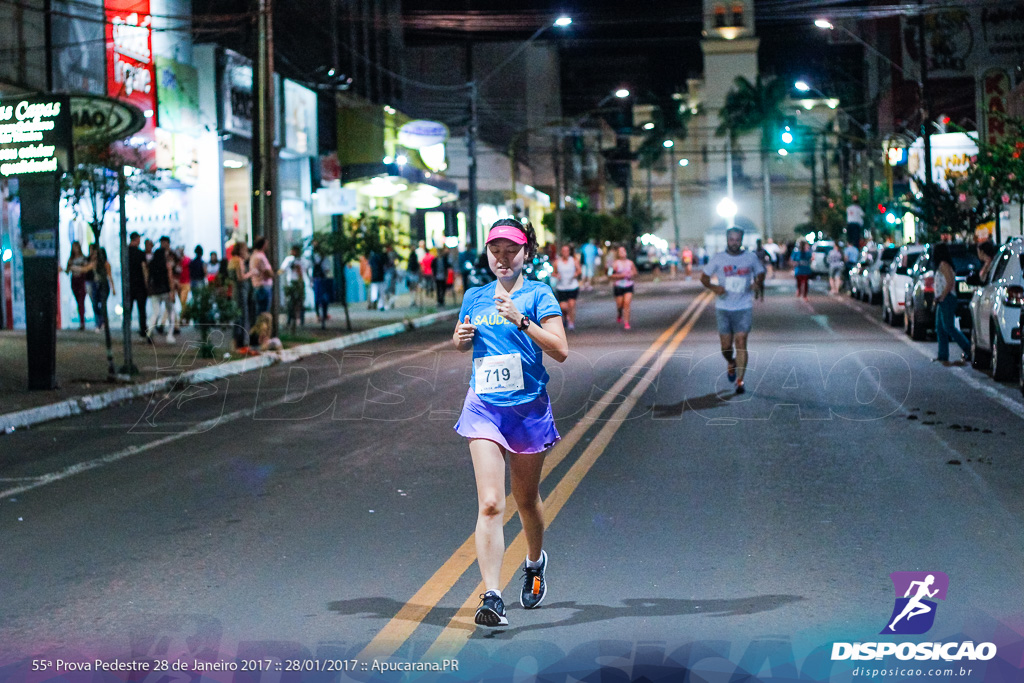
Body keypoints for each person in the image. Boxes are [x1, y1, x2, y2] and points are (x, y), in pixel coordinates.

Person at [452, 217, 568, 628]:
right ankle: (492, 596)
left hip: (527, 410)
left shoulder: (540, 295)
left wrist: (522, 319)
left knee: (525, 500)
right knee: (490, 502)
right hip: (484, 406)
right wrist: (460, 340)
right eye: (495, 252)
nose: (502, 259)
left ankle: (534, 562)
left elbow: (561, 351)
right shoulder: (474, 296)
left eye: (510, 251)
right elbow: (460, 337)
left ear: (526, 254)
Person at [700, 226, 766, 395]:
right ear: (727, 240)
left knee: (741, 341)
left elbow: (761, 272)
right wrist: (715, 288)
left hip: (744, 307)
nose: (734, 243)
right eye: (732, 239)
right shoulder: (718, 258)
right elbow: (704, 277)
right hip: (723, 307)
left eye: (737, 240)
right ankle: (731, 362)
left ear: (742, 240)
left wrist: (757, 283)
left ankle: (740, 381)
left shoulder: (750, 258)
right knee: (726, 347)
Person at [932, 242, 970, 366]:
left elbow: (949, 282)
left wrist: (942, 296)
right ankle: (942, 355)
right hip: (942, 298)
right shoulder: (942, 265)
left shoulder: (944, 265)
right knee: (940, 327)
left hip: (947, 298)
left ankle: (968, 349)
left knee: (949, 327)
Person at [148, 236, 177, 342]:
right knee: (171, 312)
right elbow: (170, 279)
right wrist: (172, 291)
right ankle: (170, 334)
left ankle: (150, 332)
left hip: (155, 291)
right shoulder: (166, 265)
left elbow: (148, 277)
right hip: (165, 291)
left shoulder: (152, 264)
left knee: (155, 312)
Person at [228, 242, 254, 349]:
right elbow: (240, 277)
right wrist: (251, 273)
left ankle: (236, 341)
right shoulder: (239, 261)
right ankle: (240, 342)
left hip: (235, 290)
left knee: (238, 316)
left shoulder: (232, 260)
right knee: (242, 315)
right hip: (240, 290)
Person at [279, 244, 309, 328]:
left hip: (299, 282)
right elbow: (282, 270)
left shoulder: (303, 261)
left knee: (300, 301)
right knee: (290, 303)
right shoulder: (289, 260)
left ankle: (301, 320)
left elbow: (305, 271)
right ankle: (290, 320)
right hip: (291, 282)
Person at [553, 244, 582, 331]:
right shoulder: (557, 262)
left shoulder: (573, 260)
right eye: (564, 251)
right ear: (561, 252)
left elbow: (579, 270)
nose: (565, 252)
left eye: (567, 251)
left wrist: (575, 274)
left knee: (571, 304)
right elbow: (553, 273)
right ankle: (565, 317)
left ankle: (571, 322)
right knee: (563, 307)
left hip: (572, 286)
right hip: (561, 287)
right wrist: (556, 275)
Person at [127, 232, 150, 341]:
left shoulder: (125, 252)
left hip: (129, 284)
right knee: (142, 310)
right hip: (139, 284)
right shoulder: (140, 253)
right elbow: (144, 269)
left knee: (128, 309)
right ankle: (143, 331)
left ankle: (126, 329)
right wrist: (147, 284)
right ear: (136, 239)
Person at [610, 246, 638, 330]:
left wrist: (632, 275)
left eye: (624, 251)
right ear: (618, 254)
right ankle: (619, 313)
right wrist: (620, 276)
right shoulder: (615, 264)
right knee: (620, 304)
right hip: (618, 286)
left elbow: (635, 273)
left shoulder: (630, 263)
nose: (622, 253)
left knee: (627, 303)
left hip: (628, 285)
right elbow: (610, 274)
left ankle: (626, 322)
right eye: (620, 251)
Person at [65, 241, 90, 330]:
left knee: (81, 301)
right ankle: (81, 321)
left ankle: (82, 322)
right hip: (74, 281)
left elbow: (85, 269)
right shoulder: (71, 259)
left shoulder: (83, 258)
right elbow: (67, 271)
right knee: (78, 301)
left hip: (81, 280)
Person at [89, 247, 115, 330]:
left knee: (103, 305)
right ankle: (99, 322)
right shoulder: (94, 263)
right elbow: (86, 269)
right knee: (95, 304)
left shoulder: (106, 264)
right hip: (96, 285)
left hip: (103, 285)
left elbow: (109, 276)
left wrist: (113, 288)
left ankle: (103, 322)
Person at [249, 237, 274, 316]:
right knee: (264, 313)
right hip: (263, 286)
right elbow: (267, 272)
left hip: (257, 285)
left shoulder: (253, 256)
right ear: (263, 245)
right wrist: (272, 273)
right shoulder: (260, 257)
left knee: (259, 311)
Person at [311, 239, 331, 328]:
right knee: (322, 298)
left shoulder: (314, 257)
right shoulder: (321, 257)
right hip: (320, 279)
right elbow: (327, 269)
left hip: (318, 279)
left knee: (318, 298)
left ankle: (320, 315)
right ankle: (322, 315)